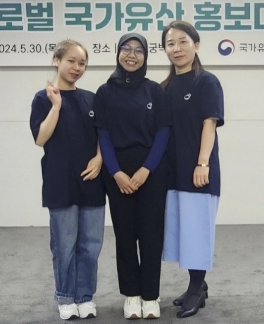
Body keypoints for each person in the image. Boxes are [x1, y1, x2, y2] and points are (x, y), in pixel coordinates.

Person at [93, 33, 171, 319]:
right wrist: (115, 172)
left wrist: (146, 169)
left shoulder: (155, 91)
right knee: (125, 234)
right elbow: (102, 133)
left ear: (146, 57)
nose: (132, 54)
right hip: (117, 171)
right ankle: (132, 295)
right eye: (126, 48)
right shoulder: (105, 92)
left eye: (139, 50)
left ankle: (151, 296)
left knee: (151, 235)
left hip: (151, 168)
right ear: (117, 53)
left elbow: (164, 131)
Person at [29, 39, 106, 320]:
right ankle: (65, 296)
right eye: (71, 60)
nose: (77, 67)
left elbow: (103, 136)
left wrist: (100, 159)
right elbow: (40, 138)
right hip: (60, 183)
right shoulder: (43, 98)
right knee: (64, 245)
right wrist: (56, 107)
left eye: (82, 63)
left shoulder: (91, 99)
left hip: (93, 183)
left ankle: (85, 296)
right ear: (57, 61)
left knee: (91, 244)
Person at [160, 21, 225, 319]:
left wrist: (203, 164)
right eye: (171, 43)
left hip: (198, 171)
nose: (177, 48)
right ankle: (195, 283)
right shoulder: (165, 86)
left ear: (196, 45)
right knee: (182, 233)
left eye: (183, 41)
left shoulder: (206, 82)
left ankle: (197, 290)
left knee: (197, 231)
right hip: (171, 174)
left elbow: (208, 124)